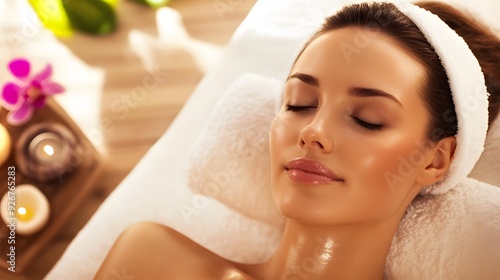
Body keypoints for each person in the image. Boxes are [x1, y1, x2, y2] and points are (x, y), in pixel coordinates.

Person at [94, 1, 500, 279]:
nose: (313, 131)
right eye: (299, 103)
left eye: (367, 119)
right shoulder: (153, 261)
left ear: (436, 160)